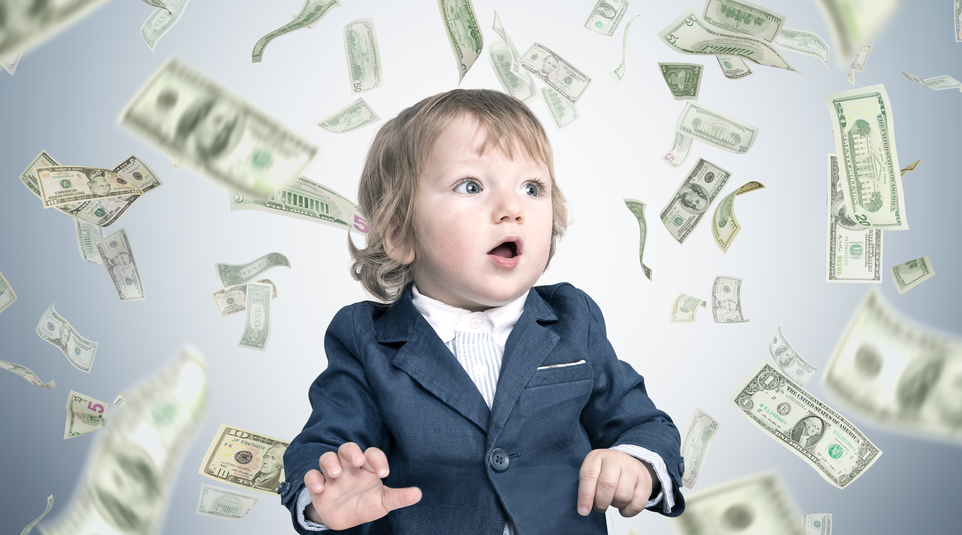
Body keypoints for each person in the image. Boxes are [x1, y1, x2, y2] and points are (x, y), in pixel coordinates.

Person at [279, 89, 685, 534]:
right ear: (399, 233)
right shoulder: (365, 339)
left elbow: (644, 423)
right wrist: (325, 494)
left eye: (532, 188)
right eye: (470, 186)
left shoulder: (574, 317)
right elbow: (322, 442)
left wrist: (636, 462)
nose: (512, 209)